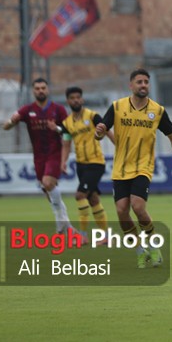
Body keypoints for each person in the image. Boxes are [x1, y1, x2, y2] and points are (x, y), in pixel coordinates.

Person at [95, 68, 172, 268]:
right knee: (121, 211)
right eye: (139, 82)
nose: (143, 85)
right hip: (120, 168)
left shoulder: (157, 111)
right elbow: (100, 133)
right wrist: (99, 132)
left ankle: (153, 246)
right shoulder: (117, 107)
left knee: (138, 207)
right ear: (131, 85)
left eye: (146, 81)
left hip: (143, 167)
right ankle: (139, 251)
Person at [2, 77, 74, 234]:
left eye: (43, 88)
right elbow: (5, 126)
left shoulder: (58, 110)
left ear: (48, 90)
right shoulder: (27, 110)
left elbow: (70, 132)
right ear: (33, 91)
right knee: (47, 189)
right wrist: (12, 121)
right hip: (39, 156)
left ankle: (60, 220)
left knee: (48, 183)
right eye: (37, 88)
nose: (40, 91)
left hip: (55, 153)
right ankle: (66, 225)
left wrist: (57, 129)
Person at [59, 86, 111, 237]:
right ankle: (106, 236)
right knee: (93, 199)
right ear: (68, 101)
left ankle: (82, 234)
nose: (76, 100)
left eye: (78, 97)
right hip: (80, 165)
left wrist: (121, 148)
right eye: (72, 98)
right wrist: (63, 162)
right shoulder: (67, 123)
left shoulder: (93, 116)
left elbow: (108, 132)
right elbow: (66, 144)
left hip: (96, 163)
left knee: (80, 195)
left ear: (82, 99)